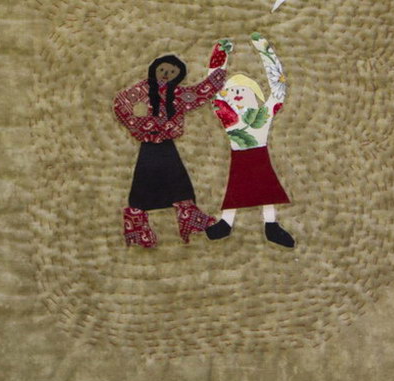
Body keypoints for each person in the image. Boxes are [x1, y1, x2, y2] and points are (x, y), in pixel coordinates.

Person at [114, 40, 232, 248]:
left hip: (167, 143)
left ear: (178, 75)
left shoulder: (177, 95)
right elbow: (120, 104)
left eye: (171, 72)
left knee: (177, 177)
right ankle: (137, 227)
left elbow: (199, 92)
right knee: (144, 179)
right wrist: (138, 126)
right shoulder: (142, 89)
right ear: (154, 69)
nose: (166, 74)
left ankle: (188, 217)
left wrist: (218, 75)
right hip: (149, 143)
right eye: (162, 70)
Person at [206, 32, 294, 248]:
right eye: (233, 91)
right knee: (235, 189)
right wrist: (220, 55)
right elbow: (213, 89)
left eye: (243, 90)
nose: (237, 93)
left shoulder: (265, 112)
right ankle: (226, 223)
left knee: (267, 190)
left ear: (255, 95)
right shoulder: (227, 115)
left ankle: (271, 224)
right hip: (239, 156)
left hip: (259, 155)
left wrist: (265, 50)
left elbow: (278, 89)